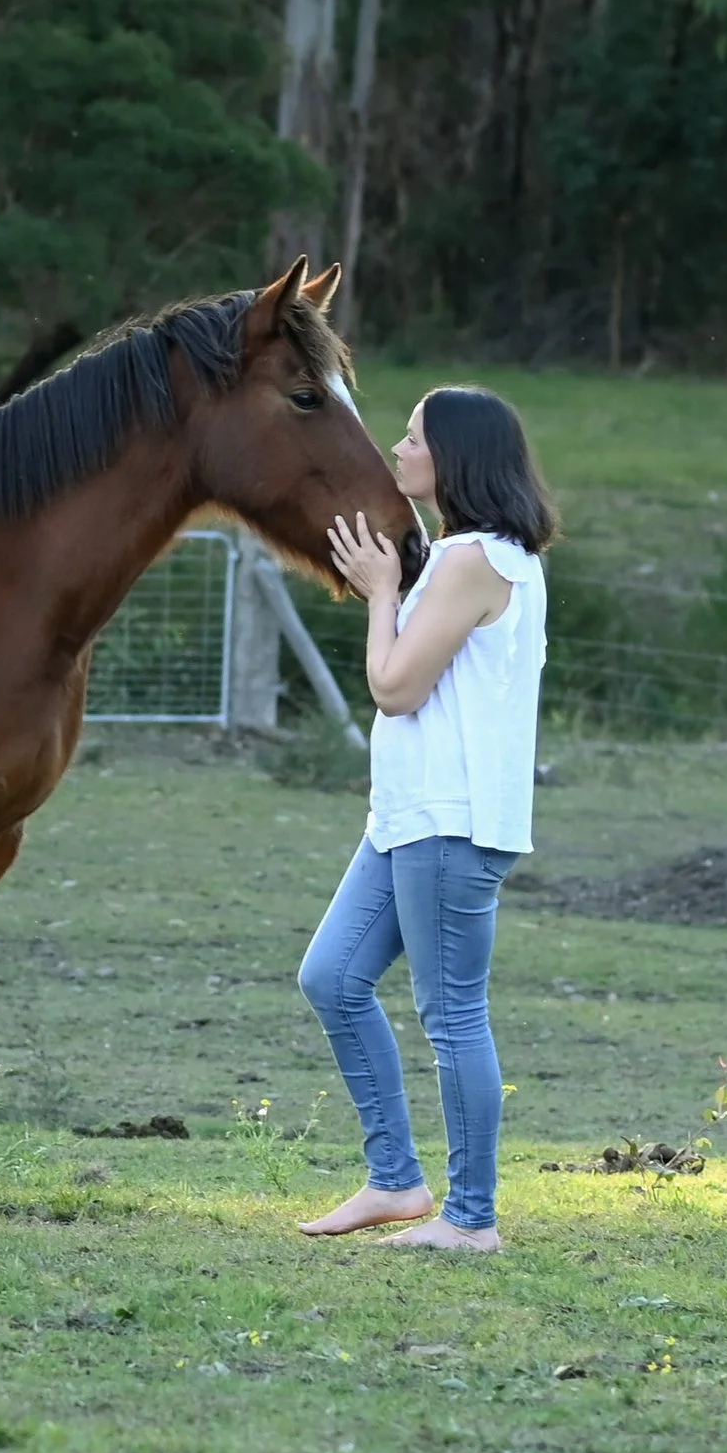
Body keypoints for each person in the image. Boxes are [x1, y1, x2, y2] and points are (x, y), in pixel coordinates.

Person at [297, 386, 558, 1252]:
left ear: (454, 457)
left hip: (450, 824)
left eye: (413, 438)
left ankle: (471, 1218)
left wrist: (381, 591)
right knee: (332, 976)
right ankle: (396, 1180)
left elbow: (396, 687)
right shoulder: (471, 555)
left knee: (452, 1016)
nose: (397, 449)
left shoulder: (474, 560)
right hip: (407, 818)